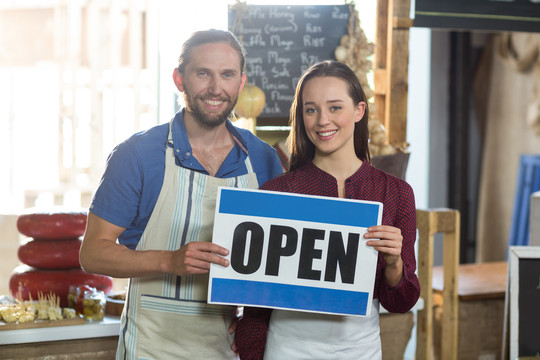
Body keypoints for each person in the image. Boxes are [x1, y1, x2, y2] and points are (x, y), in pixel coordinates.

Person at [79, 29, 283, 359]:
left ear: (240, 83)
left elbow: (276, 257)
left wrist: (256, 320)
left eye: (227, 75)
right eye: (203, 73)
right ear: (179, 79)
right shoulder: (138, 155)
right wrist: (169, 260)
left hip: (226, 347)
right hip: (152, 346)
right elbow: (92, 253)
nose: (216, 88)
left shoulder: (262, 159)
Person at [235, 60, 420, 360]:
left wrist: (395, 263)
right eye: (311, 109)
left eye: (335, 107)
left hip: (361, 348)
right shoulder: (276, 193)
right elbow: (259, 303)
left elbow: (401, 302)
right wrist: (249, 349)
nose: (322, 120)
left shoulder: (397, 193)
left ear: (359, 111)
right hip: (288, 347)